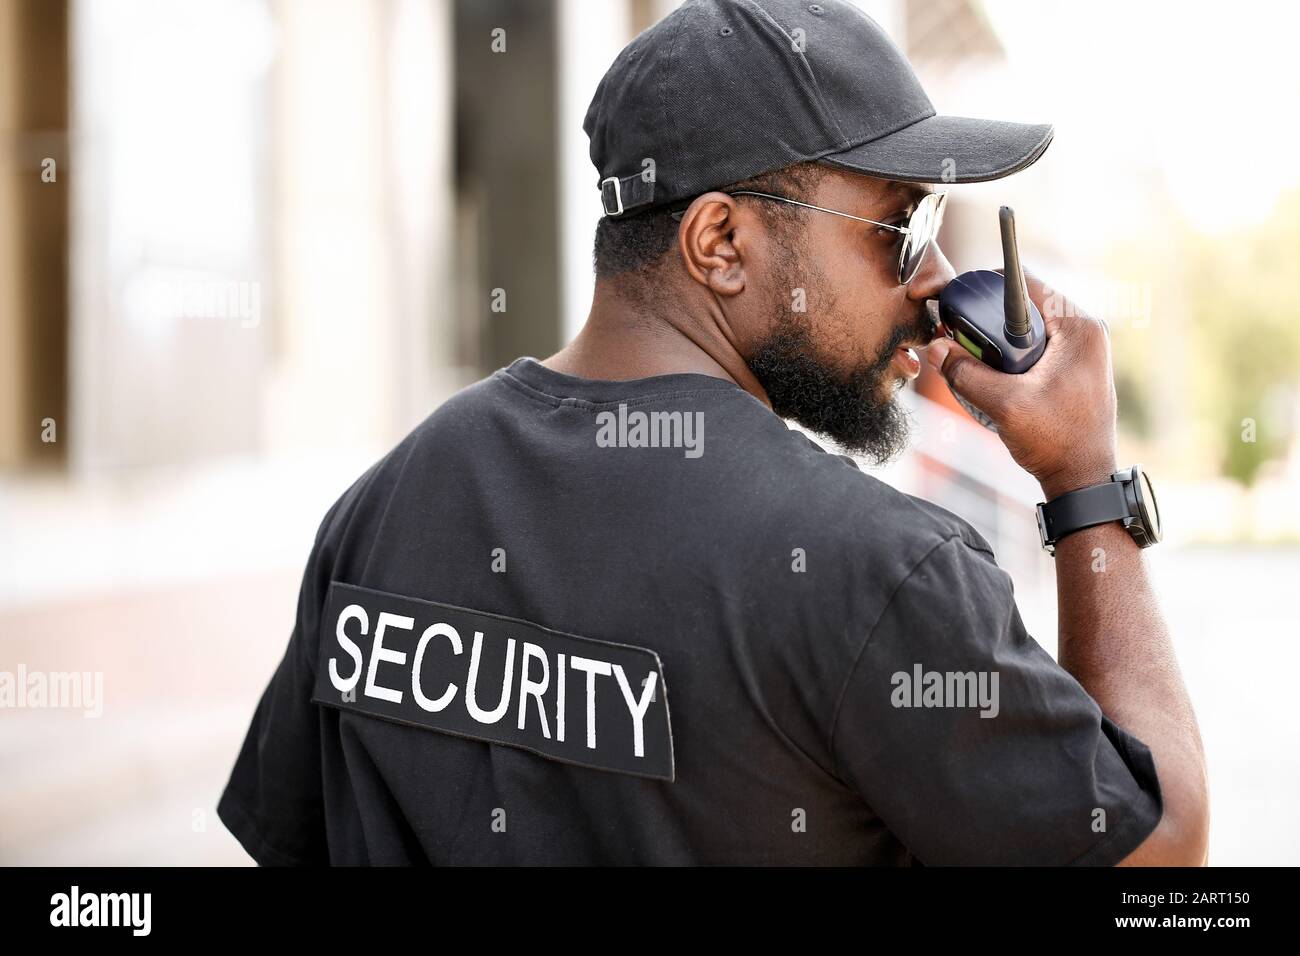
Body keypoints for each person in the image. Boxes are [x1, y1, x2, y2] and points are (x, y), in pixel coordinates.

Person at [218, 0, 1208, 865]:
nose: (936, 284)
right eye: (900, 228)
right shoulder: (877, 574)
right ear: (721, 243)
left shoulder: (382, 507)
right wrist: (1085, 487)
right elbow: (1154, 855)